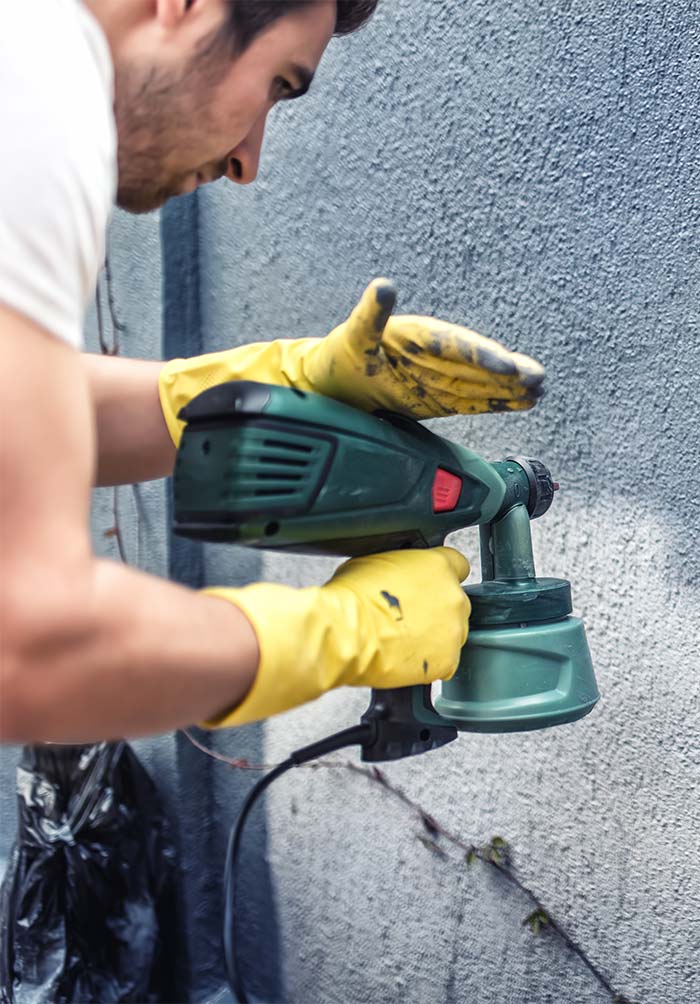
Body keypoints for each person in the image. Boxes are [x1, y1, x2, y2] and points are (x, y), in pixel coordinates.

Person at [0, 0, 544, 744]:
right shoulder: (42, 94)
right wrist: (337, 634)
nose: (247, 161)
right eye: (279, 84)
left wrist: (287, 378)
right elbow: (27, 651)